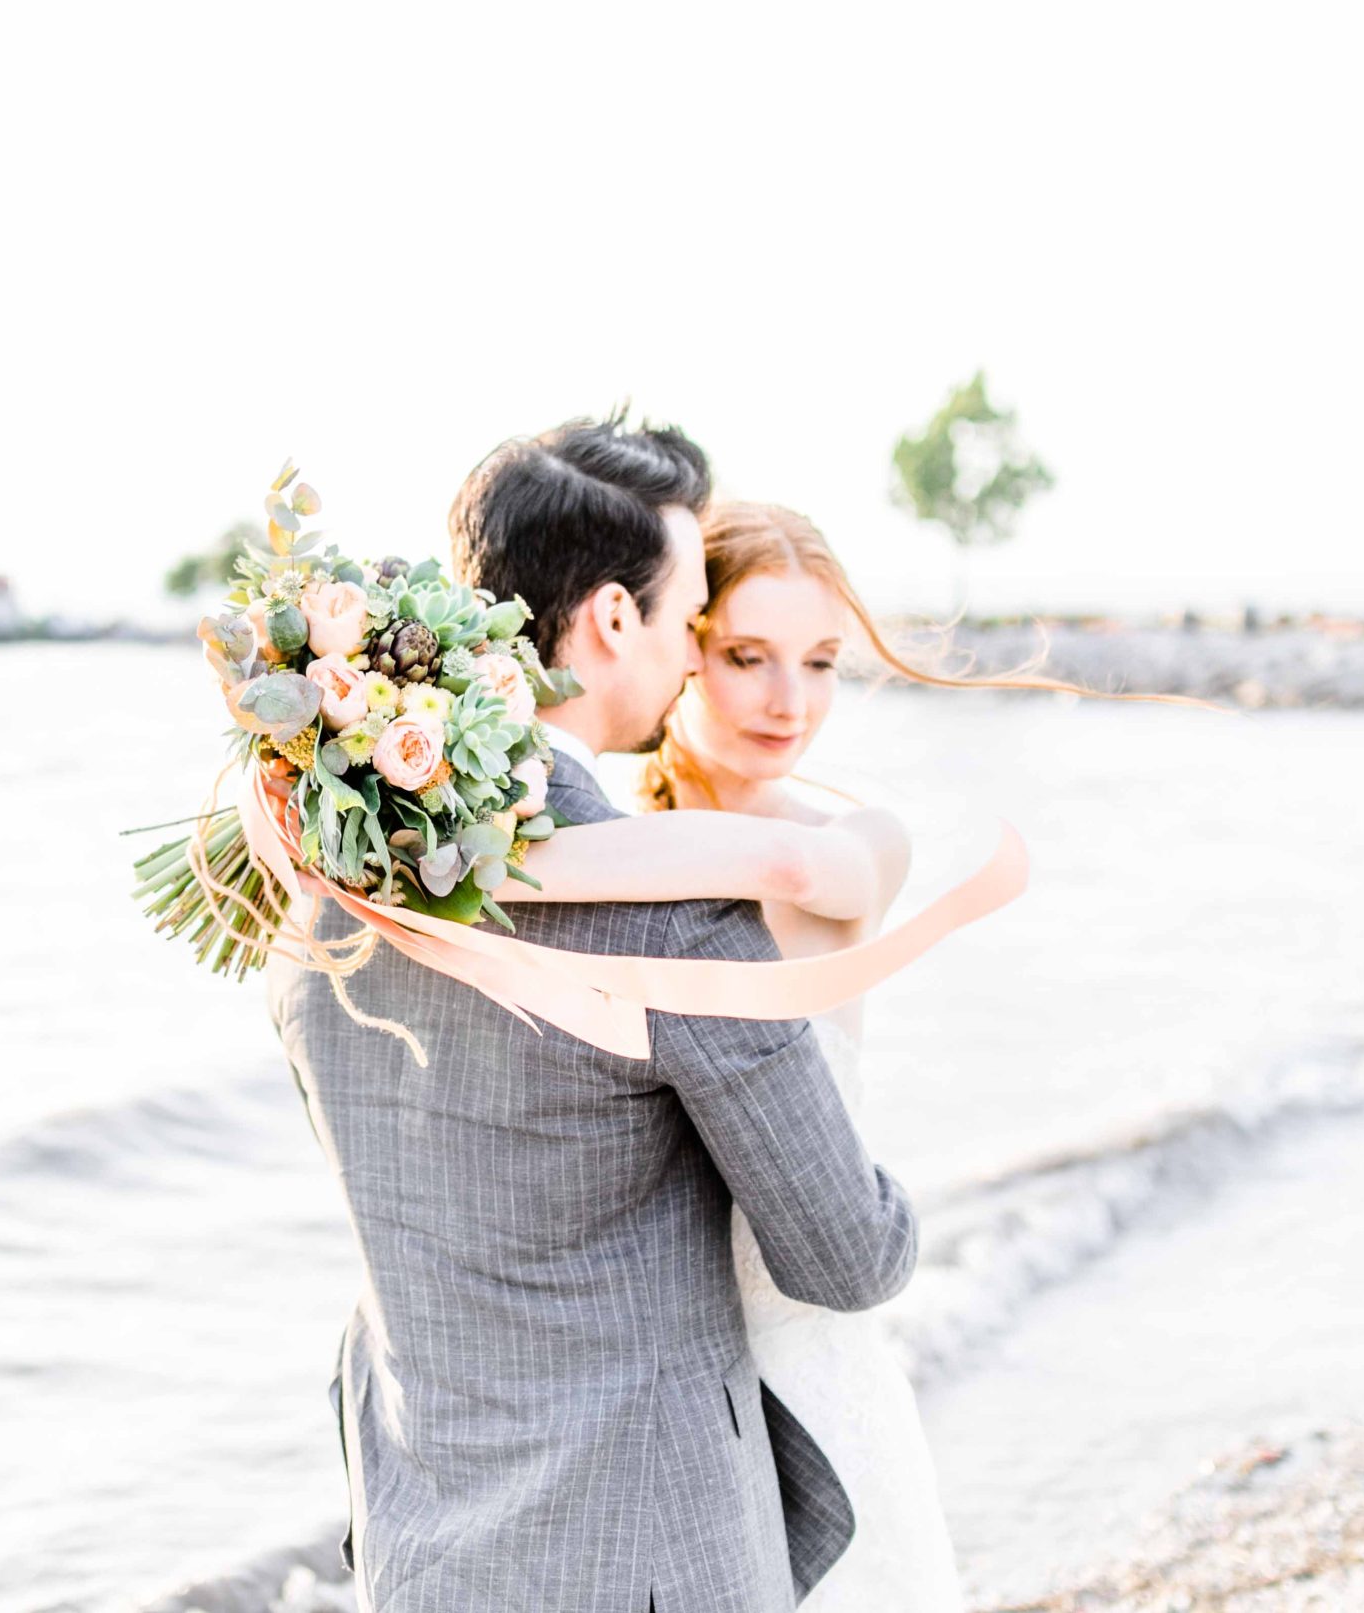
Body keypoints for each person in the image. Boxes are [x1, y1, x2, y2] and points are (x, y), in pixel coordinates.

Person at [267, 412, 916, 1612]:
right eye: (686, 624)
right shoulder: (676, 917)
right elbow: (846, 1255)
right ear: (616, 618)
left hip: (419, 1550)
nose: (682, 660)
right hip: (652, 1561)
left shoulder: (316, 895)